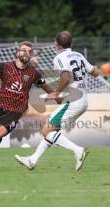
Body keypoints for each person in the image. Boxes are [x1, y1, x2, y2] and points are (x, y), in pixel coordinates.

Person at [0, 41, 60, 169]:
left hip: (15, 111)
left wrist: (58, 99)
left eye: (29, 51)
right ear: (17, 52)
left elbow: (46, 87)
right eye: (24, 50)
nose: (26, 53)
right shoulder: (4, 67)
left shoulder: (33, 73)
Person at [15, 31, 99, 171]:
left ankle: (78, 150)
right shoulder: (79, 55)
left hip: (73, 101)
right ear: (71, 43)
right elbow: (95, 73)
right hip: (83, 99)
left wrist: (56, 93)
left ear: (57, 44)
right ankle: (32, 160)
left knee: (46, 130)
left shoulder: (59, 57)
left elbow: (65, 78)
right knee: (51, 131)